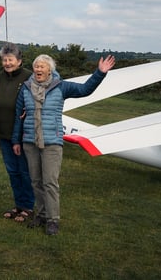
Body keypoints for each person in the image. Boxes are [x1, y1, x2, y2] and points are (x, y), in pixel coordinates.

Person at [12, 53, 115, 235]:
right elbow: (18, 115)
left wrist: (100, 73)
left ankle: (53, 220)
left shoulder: (61, 87)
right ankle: (42, 214)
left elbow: (85, 90)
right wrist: (16, 140)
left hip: (52, 142)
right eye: (36, 66)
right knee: (36, 181)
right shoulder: (26, 88)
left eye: (42, 66)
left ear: (50, 69)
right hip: (30, 141)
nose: (38, 69)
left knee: (50, 182)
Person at [0, 43, 35, 223]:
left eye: (10, 60)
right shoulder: (1, 77)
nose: (7, 63)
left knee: (25, 171)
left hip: (23, 134)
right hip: (5, 133)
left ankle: (29, 207)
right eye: (4, 60)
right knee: (13, 171)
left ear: (19, 61)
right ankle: (19, 204)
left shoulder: (28, 77)